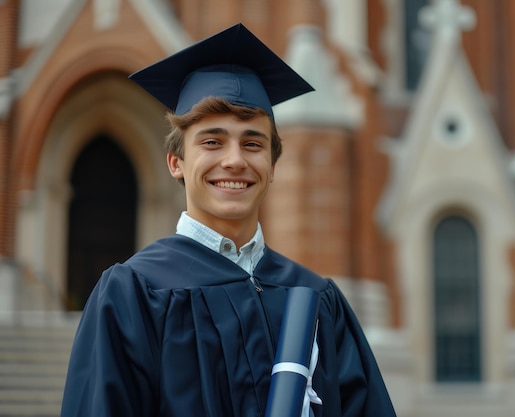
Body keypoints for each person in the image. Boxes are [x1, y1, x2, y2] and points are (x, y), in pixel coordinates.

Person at [60, 22, 397, 417]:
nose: (235, 160)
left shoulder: (317, 300)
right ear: (176, 162)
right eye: (212, 141)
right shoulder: (133, 294)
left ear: (272, 166)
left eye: (253, 143)